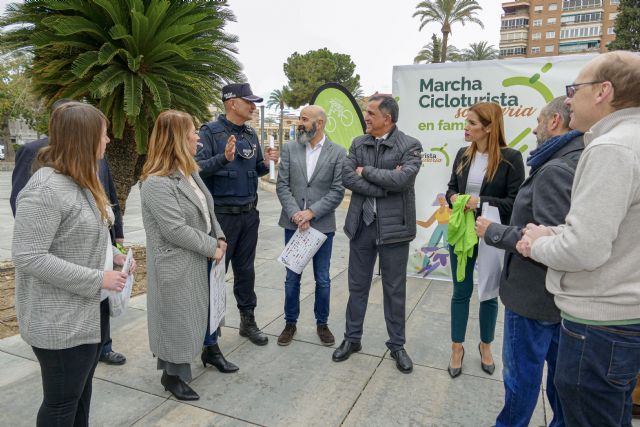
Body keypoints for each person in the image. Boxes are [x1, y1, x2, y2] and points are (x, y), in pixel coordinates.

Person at [517, 51, 640, 426]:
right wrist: (555, 233)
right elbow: (615, 232)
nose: (569, 99)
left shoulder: (611, 149)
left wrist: (535, 242)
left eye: (576, 88)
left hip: (598, 329)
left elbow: (584, 248)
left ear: (604, 91)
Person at [12, 102, 133, 426]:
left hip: (87, 315)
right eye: (104, 135)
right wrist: (99, 279)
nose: (108, 141)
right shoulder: (45, 188)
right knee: (61, 406)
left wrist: (115, 256)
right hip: (59, 320)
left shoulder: (82, 180)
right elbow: (28, 255)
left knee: (79, 397)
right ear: (85, 138)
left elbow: (83, 236)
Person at [475, 97, 583, 427]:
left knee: (522, 382)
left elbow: (550, 240)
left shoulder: (555, 169)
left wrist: (495, 231)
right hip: (554, 301)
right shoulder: (572, 159)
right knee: (559, 385)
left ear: (554, 122)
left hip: (534, 299)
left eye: (538, 120)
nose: (534, 128)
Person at [140, 110, 230, 401]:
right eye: (192, 131)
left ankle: (209, 351)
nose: (197, 136)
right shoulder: (156, 182)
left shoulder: (189, 172)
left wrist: (219, 236)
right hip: (177, 264)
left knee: (204, 313)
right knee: (177, 322)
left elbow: (208, 208)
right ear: (177, 138)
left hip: (201, 256)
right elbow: (175, 230)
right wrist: (211, 247)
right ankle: (172, 375)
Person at [332, 95, 422, 374]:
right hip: (361, 226)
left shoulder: (410, 145)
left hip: (394, 230)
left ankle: (397, 345)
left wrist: (366, 171)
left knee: (394, 289)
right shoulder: (359, 143)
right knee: (357, 286)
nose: (366, 117)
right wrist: (384, 186)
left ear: (388, 119)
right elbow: (347, 177)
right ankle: (352, 339)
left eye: (371, 113)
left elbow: (403, 179)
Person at [445, 102, 525, 379]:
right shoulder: (462, 155)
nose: (465, 128)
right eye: (466, 122)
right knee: (461, 290)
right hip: (462, 233)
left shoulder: (511, 158)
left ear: (489, 127)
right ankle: (457, 347)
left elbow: (514, 202)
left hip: (491, 233)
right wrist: (453, 198)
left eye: (472, 123)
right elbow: (451, 189)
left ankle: (485, 345)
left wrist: (481, 201)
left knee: (489, 291)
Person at [195, 83, 279, 347]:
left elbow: (255, 170)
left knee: (246, 272)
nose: (254, 106)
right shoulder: (209, 132)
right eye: (249, 102)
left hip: (248, 215)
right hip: (222, 218)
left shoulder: (250, 134)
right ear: (232, 103)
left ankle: (247, 321)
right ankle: (210, 334)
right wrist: (223, 157)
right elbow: (196, 169)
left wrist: (268, 163)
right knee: (217, 274)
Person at [275, 105, 346, 346]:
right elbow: (282, 185)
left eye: (304, 119)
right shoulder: (290, 148)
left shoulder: (337, 152)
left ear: (320, 122)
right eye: (299, 119)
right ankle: (290, 323)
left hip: (322, 225)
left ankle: (322, 324)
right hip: (293, 224)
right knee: (291, 277)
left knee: (323, 278)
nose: (300, 123)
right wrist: (296, 214)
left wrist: (311, 213)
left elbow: (337, 191)